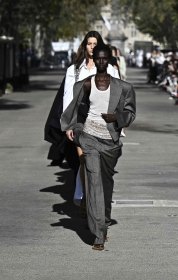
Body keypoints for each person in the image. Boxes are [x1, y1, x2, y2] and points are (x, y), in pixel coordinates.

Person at [61, 44, 137, 250]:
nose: (102, 62)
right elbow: (75, 107)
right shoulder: (86, 85)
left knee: (106, 184)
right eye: (98, 59)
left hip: (110, 142)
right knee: (93, 184)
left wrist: (116, 118)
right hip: (90, 138)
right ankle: (98, 235)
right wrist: (73, 128)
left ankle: (104, 219)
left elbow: (130, 114)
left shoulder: (123, 87)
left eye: (105, 59)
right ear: (94, 59)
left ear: (110, 60)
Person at [64, 32, 103, 213]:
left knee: (98, 163)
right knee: (84, 160)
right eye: (89, 43)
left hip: (101, 122)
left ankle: (91, 199)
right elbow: (68, 97)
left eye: (96, 44)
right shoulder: (74, 70)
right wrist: (68, 124)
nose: (92, 47)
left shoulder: (108, 68)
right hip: (80, 121)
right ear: (84, 46)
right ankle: (85, 199)